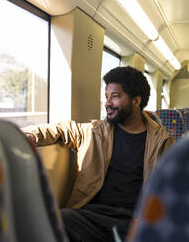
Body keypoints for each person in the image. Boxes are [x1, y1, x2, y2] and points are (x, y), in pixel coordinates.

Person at [23, 66, 175, 242]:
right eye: (106, 97)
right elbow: (62, 129)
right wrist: (31, 135)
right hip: (93, 216)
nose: (108, 103)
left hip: (137, 219)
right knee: (58, 219)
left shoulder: (163, 141)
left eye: (115, 96)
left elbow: (171, 193)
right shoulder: (96, 132)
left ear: (136, 100)